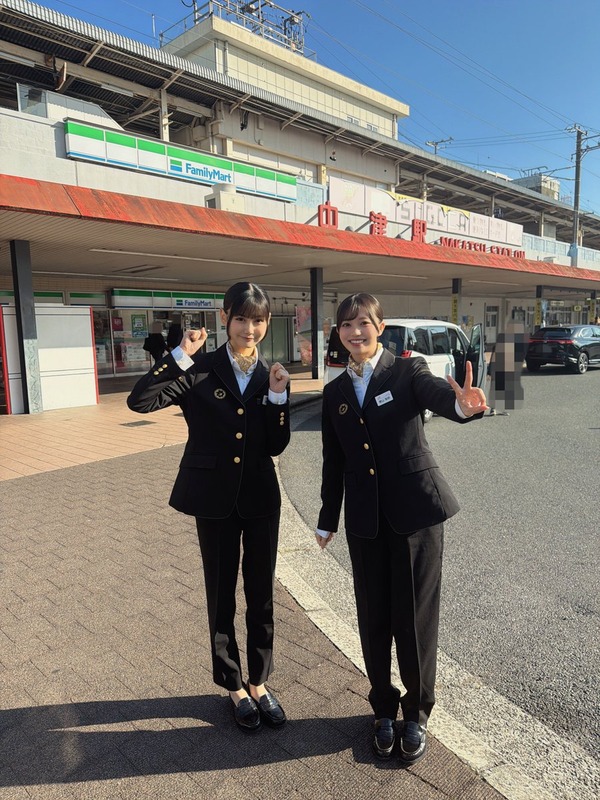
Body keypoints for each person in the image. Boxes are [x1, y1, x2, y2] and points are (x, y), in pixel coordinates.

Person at [315, 293, 487, 765]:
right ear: (339, 333)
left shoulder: (408, 371)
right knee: (373, 617)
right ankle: (382, 709)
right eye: (346, 325)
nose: (355, 332)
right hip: (365, 522)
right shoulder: (335, 392)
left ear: (381, 326)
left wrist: (463, 407)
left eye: (363, 324)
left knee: (414, 619)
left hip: (416, 515)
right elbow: (335, 461)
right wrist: (328, 517)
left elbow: (439, 396)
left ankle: (417, 711)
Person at [127, 282, 291, 733]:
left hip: (260, 500)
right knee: (221, 594)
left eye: (258, 320)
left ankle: (259, 681)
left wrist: (278, 397)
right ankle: (233, 685)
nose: (250, 328)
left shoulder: (271, 375)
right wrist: (180, 353)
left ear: (266, 323)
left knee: (261, 595)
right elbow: (139, 401)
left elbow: (275, 444)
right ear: (225, 319)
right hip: (213, 500)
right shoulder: (198, 370)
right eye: (241, 318)